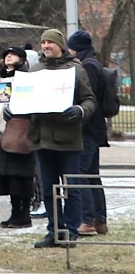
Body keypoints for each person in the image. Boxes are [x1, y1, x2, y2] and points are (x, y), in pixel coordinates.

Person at [29, 29, 96, 248]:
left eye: (50, 42)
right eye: (43, 42)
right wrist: (13, 109)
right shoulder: (35, 70)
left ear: (60, 45)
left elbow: (89, 100)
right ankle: (54, 231)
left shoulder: (76, 70)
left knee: (71, 188)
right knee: (49, 189)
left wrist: (80, 110)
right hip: (42, 139)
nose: (46, 46)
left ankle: (71, 231)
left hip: (68, 139)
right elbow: (24, 99)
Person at [0, 47, 36, 229]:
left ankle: (24, 214)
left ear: (21, 59)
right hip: (2, 132)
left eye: (13, 55)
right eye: (6, 55)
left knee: (21, 176)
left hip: (20, 132)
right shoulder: (2, 80)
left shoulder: (27, 79)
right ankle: (15, 212)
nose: (8, 57)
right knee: (9, 176)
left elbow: (31, 103)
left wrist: (17, 111)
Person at [67, 30, 109, 237]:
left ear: (75, 48)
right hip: (95, 127)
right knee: (92, 175)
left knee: (82, 174)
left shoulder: (87, 66)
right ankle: (100, 220)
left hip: (88, 127)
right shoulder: (94, 62)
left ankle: (88, 220)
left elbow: (88, 98)